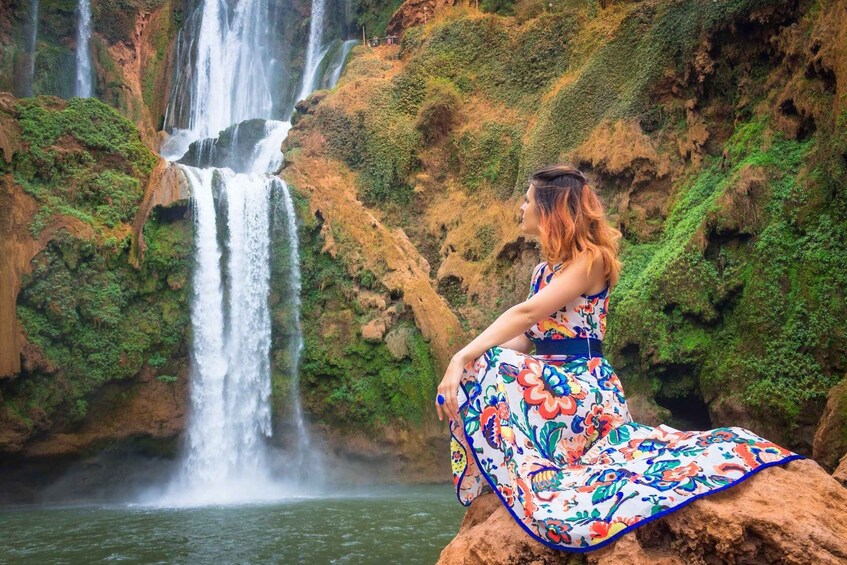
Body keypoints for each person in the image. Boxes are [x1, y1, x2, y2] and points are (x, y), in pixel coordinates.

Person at [435, 164, 802, 552]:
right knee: (484, 363)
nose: (520, 207)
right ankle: (520, 471)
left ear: (550, 209)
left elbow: (525, 315)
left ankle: (536, 470)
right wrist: (472, 364)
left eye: (527, 200)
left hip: (584, 387)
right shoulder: (543, 271)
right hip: (547, 384)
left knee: (481, 361)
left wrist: (461, 356)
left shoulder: (591, 261)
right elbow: (526, 339)